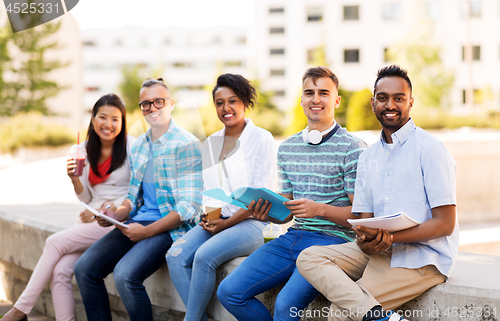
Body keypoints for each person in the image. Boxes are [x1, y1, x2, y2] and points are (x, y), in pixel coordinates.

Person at [296, 65, 458, 321]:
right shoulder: (368, 156)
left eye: (399, 98)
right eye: (383, 98)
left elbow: (445, 224)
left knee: (339, 314)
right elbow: (364, 218)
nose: (390, 104)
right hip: (379, 251)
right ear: (373, 103)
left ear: (411, 102)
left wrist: (392, 238)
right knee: (308, 258)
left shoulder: (431, 149)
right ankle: (378, 316)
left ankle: (374, 314)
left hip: (422, 258)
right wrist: (364, 238)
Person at [216, 66, 367, 321]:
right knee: (229, 291)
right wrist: (266, 213)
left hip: (332, 243)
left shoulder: (353, 148)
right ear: (301, 100)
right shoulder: (287, 148)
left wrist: (320, 209)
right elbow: (286, 214)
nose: (316, 99)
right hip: (293, 237)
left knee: (285, 308)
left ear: (336, 100)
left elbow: (361, 217)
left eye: (324, 93)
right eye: (309, 93)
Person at [73, 78, 203, 321]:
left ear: (171, 103)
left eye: (158, 102)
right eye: (146, 104)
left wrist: (148, 232)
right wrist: (115, 215)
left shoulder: (186, 144)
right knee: (84, 269)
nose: (152, 108)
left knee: (125, 275)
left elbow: (190, 206)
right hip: (137, 223)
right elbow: (134, 198)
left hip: (168, 227)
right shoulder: (140, 146)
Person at [2, 94, 134, 321]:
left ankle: (20, 310)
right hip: (91, 219)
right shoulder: (83, 149)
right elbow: (85, 194)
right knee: (60, 271)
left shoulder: (132, 147)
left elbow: (136, 190)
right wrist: (74, 179)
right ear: (93, 119)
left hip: (115, 219)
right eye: (103, 117)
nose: (108, 124)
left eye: (115, 119)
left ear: (122, 123)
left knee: (53, 241)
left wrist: (108, 207)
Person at [166, 74, 277, 321]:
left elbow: (259, 198)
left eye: (233, 101)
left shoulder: (261, 139)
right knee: (175, 255)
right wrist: (210, 218)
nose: (226, 108)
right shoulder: (212, 143)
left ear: (245, 103)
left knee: (205, 256)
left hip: (254, 222)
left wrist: (226, 224)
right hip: (221, 220)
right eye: (219, 102)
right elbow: (212, 191)